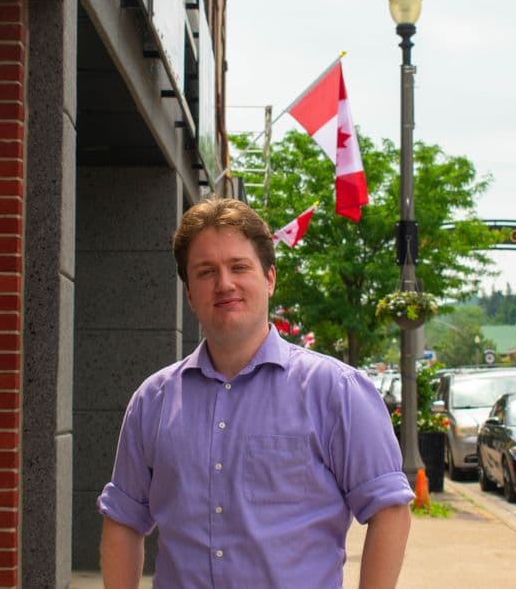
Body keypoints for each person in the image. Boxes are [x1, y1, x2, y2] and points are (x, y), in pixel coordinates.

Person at [97, 198, 412, 588]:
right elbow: (123, 519)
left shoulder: (336, 391)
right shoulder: (153, 401)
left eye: (238, 266)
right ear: (190, 294)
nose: (224, 283)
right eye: (206, 271)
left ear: (270, 278)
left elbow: (390, 509)